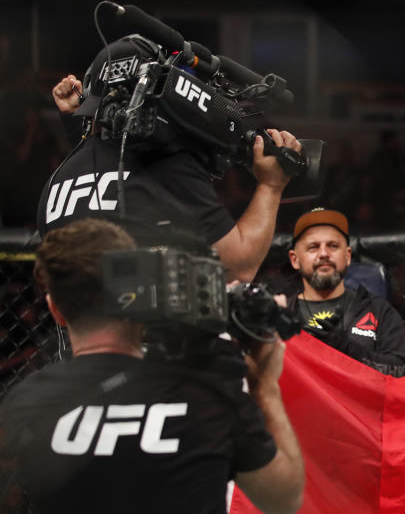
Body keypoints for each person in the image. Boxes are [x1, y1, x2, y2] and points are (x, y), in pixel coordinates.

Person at [0, 219, 304, 514]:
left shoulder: (25, 404)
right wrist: (264, 387)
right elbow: (284, 498)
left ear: (56, 310)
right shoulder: (206, 389)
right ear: (138, 294)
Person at [42, 34, 301, 282]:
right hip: (150, 327)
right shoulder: (166, 163)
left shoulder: (59, 179)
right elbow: (239, 266)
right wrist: (271, 184)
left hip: (73, 327)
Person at [288, 207, 405, 376]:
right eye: (313, 247)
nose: (324, 253)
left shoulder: (378, 310)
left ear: (347, 256)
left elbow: (404, 372)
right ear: (295, 259)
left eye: (333, 246)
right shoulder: (282, 314)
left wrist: (348, 350)